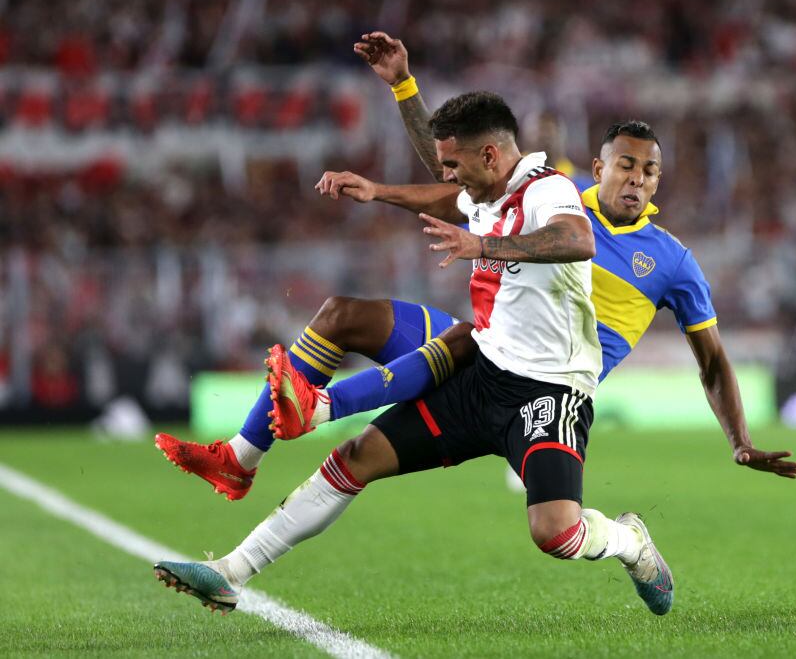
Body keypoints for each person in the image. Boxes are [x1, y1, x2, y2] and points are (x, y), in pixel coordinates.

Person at [155, 89, 680, 617]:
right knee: (356, 453)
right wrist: (398, 102)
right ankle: (231, 569)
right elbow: (445, 185)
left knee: (555, 533)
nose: (446, 174)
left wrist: (483, 247)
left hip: (549, 391)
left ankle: (630, 542)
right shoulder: (484, 190)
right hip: (484, 371)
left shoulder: (549, 190)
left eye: (455, 164)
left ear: (491, 156)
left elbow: (577, 238)